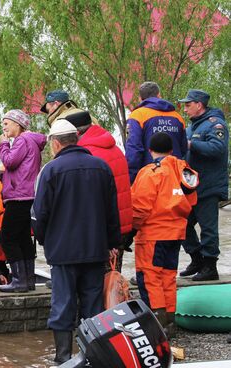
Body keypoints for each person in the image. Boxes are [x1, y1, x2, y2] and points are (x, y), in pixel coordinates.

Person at [32, 119, 120, 364]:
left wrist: (44, 240)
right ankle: (91, 357)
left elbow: (40, 214)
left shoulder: (51, 170)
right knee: (93, 307)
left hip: (62, 252)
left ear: (56, 143)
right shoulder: (101, 167)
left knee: (62, 306)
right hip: (95, 250)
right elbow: (112, 212)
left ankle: (62, 359)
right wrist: (112, 242)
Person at [128, 132, 198, 336]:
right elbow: (192, 201)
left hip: (153, 233)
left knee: (150, 277)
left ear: (150, 150)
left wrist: (130, 231)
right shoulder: (185, 171)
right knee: (168, 277)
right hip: (176, 233)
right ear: (171, 150)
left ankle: (156, 324)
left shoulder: (150, 172)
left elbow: (140, 207)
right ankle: (170, 322)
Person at [64, 110, 133, 272]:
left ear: (76, 133)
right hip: (121, 224)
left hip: (100, 226)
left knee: (95, 282)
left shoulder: (86, 155)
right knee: (114, 280)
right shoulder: (115, 148)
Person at [178, 89, 228, 281]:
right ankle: (196, 258)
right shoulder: (192, 127)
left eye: (188, 105)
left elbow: (218, 148)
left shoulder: (215, 124)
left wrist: (191, 145)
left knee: (208, 228)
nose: (185, 109)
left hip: (209, 186)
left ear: (199, 105)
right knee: (180, 224)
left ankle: (210, 266)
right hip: (192, 186)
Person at [0, 109, 46, 293]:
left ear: (18, 125)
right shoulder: (32, 141)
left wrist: (3, 145)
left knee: (8, 237)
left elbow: (9, 161)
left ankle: (19, 280)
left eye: (6, 123)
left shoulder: (22, 140)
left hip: (19, 196)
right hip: (29, 196)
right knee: (24, 237)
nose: (4, 127)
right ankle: (28, 280)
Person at [125, 81, 188, 183]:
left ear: (140, 98)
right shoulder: (177, 117)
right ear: (159, 95)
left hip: (150, 177)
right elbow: (183, 148)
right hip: (175, 176)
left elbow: (134, 149)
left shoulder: (137, 116)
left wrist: (132, 179)